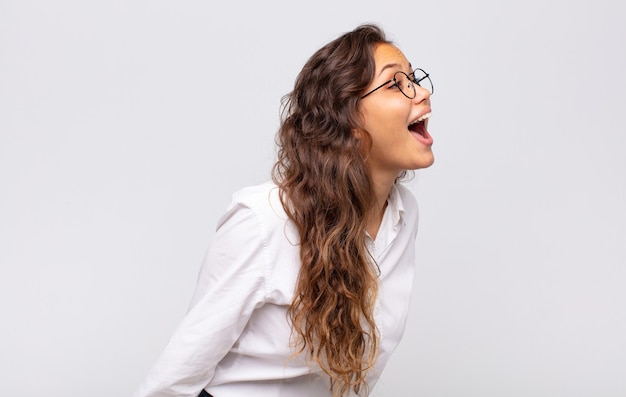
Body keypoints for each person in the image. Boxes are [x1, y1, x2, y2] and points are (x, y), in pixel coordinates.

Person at [134, 23, 435, 397]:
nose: (421, 93)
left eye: (415, 79)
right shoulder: (264, 220)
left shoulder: (402, 216)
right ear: (349, 122)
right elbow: (172, 381)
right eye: (395, 84)